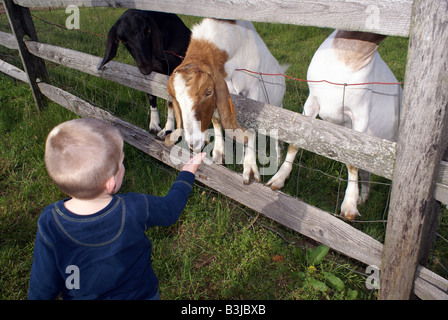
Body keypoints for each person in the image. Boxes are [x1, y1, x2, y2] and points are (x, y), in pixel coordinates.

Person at [28, 118, 205, 300]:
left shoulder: (50, 221)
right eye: (121, 162)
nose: (123, 166)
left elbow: (42, 285)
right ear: (111, 182)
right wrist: (187, 173)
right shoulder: (135, 207)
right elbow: (170, 209)